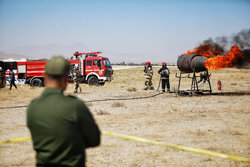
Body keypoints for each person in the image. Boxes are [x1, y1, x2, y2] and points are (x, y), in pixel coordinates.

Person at [27, 56, 100, 167]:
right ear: (66, 79)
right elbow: (94, 139)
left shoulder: (32, 108)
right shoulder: (75, 106)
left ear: (44, 77)